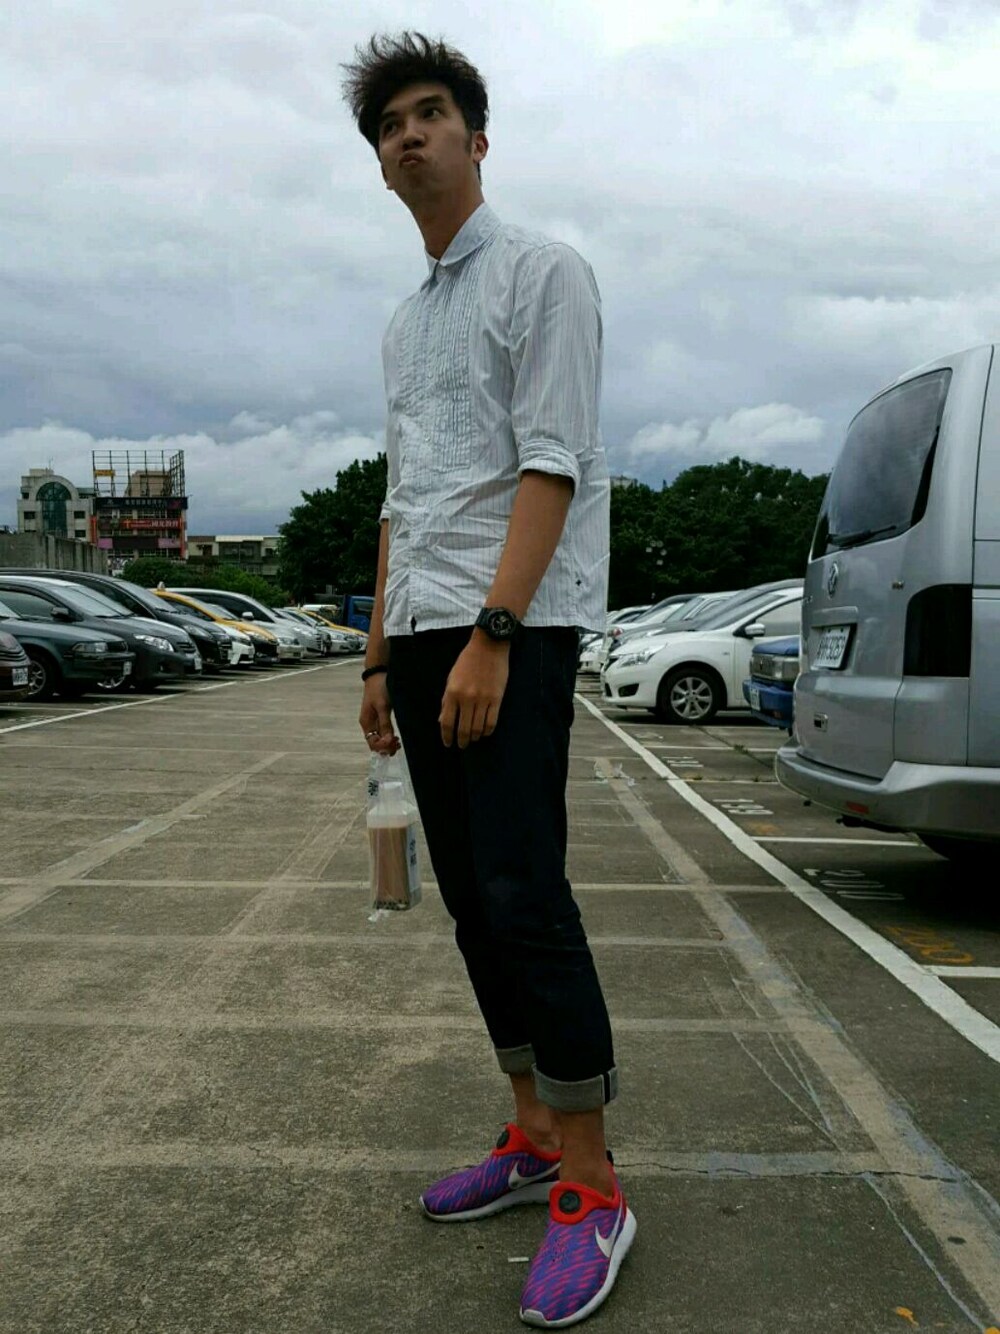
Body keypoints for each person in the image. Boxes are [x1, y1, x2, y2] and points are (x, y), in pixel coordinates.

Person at [342, 32, 635, 1328]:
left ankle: (594, 1182)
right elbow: (401, 493)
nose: (408, 136)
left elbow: (553, 459)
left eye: (428, 113)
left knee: (524, 887)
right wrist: (375, 651)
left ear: (475, 135)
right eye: (388, 126)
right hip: (420, 630)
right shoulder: (404, 323)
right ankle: (530, 1130)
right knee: (468, 898)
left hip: (511, 622)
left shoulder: (544, 271)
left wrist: (496, 632)